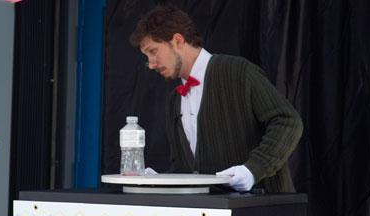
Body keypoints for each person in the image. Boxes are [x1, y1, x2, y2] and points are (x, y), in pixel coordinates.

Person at [129, 5, 303, 192]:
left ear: (177, 40)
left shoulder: (238, 72)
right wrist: (163, 181)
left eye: (153, 51)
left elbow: (288, 121)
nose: (151, 64)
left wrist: (253, 170)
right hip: (211, 215)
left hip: (261, 209)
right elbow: (187, 169)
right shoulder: (174, 101)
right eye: (147, 57)